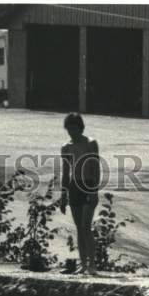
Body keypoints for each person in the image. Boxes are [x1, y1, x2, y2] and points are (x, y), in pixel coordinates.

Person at [60, 113, 102, 275]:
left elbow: (96, 168)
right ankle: (83, 264)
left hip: (88, 184)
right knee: (79, 227)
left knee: (86, 226)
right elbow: (65, 173)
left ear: (81, 128)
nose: (72, 132)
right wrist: (63, 197)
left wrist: (94, 191)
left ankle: (93, 265)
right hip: (73, 187)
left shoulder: (91, 143)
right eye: (69, 129)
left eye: (75, 128)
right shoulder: (66, 147)